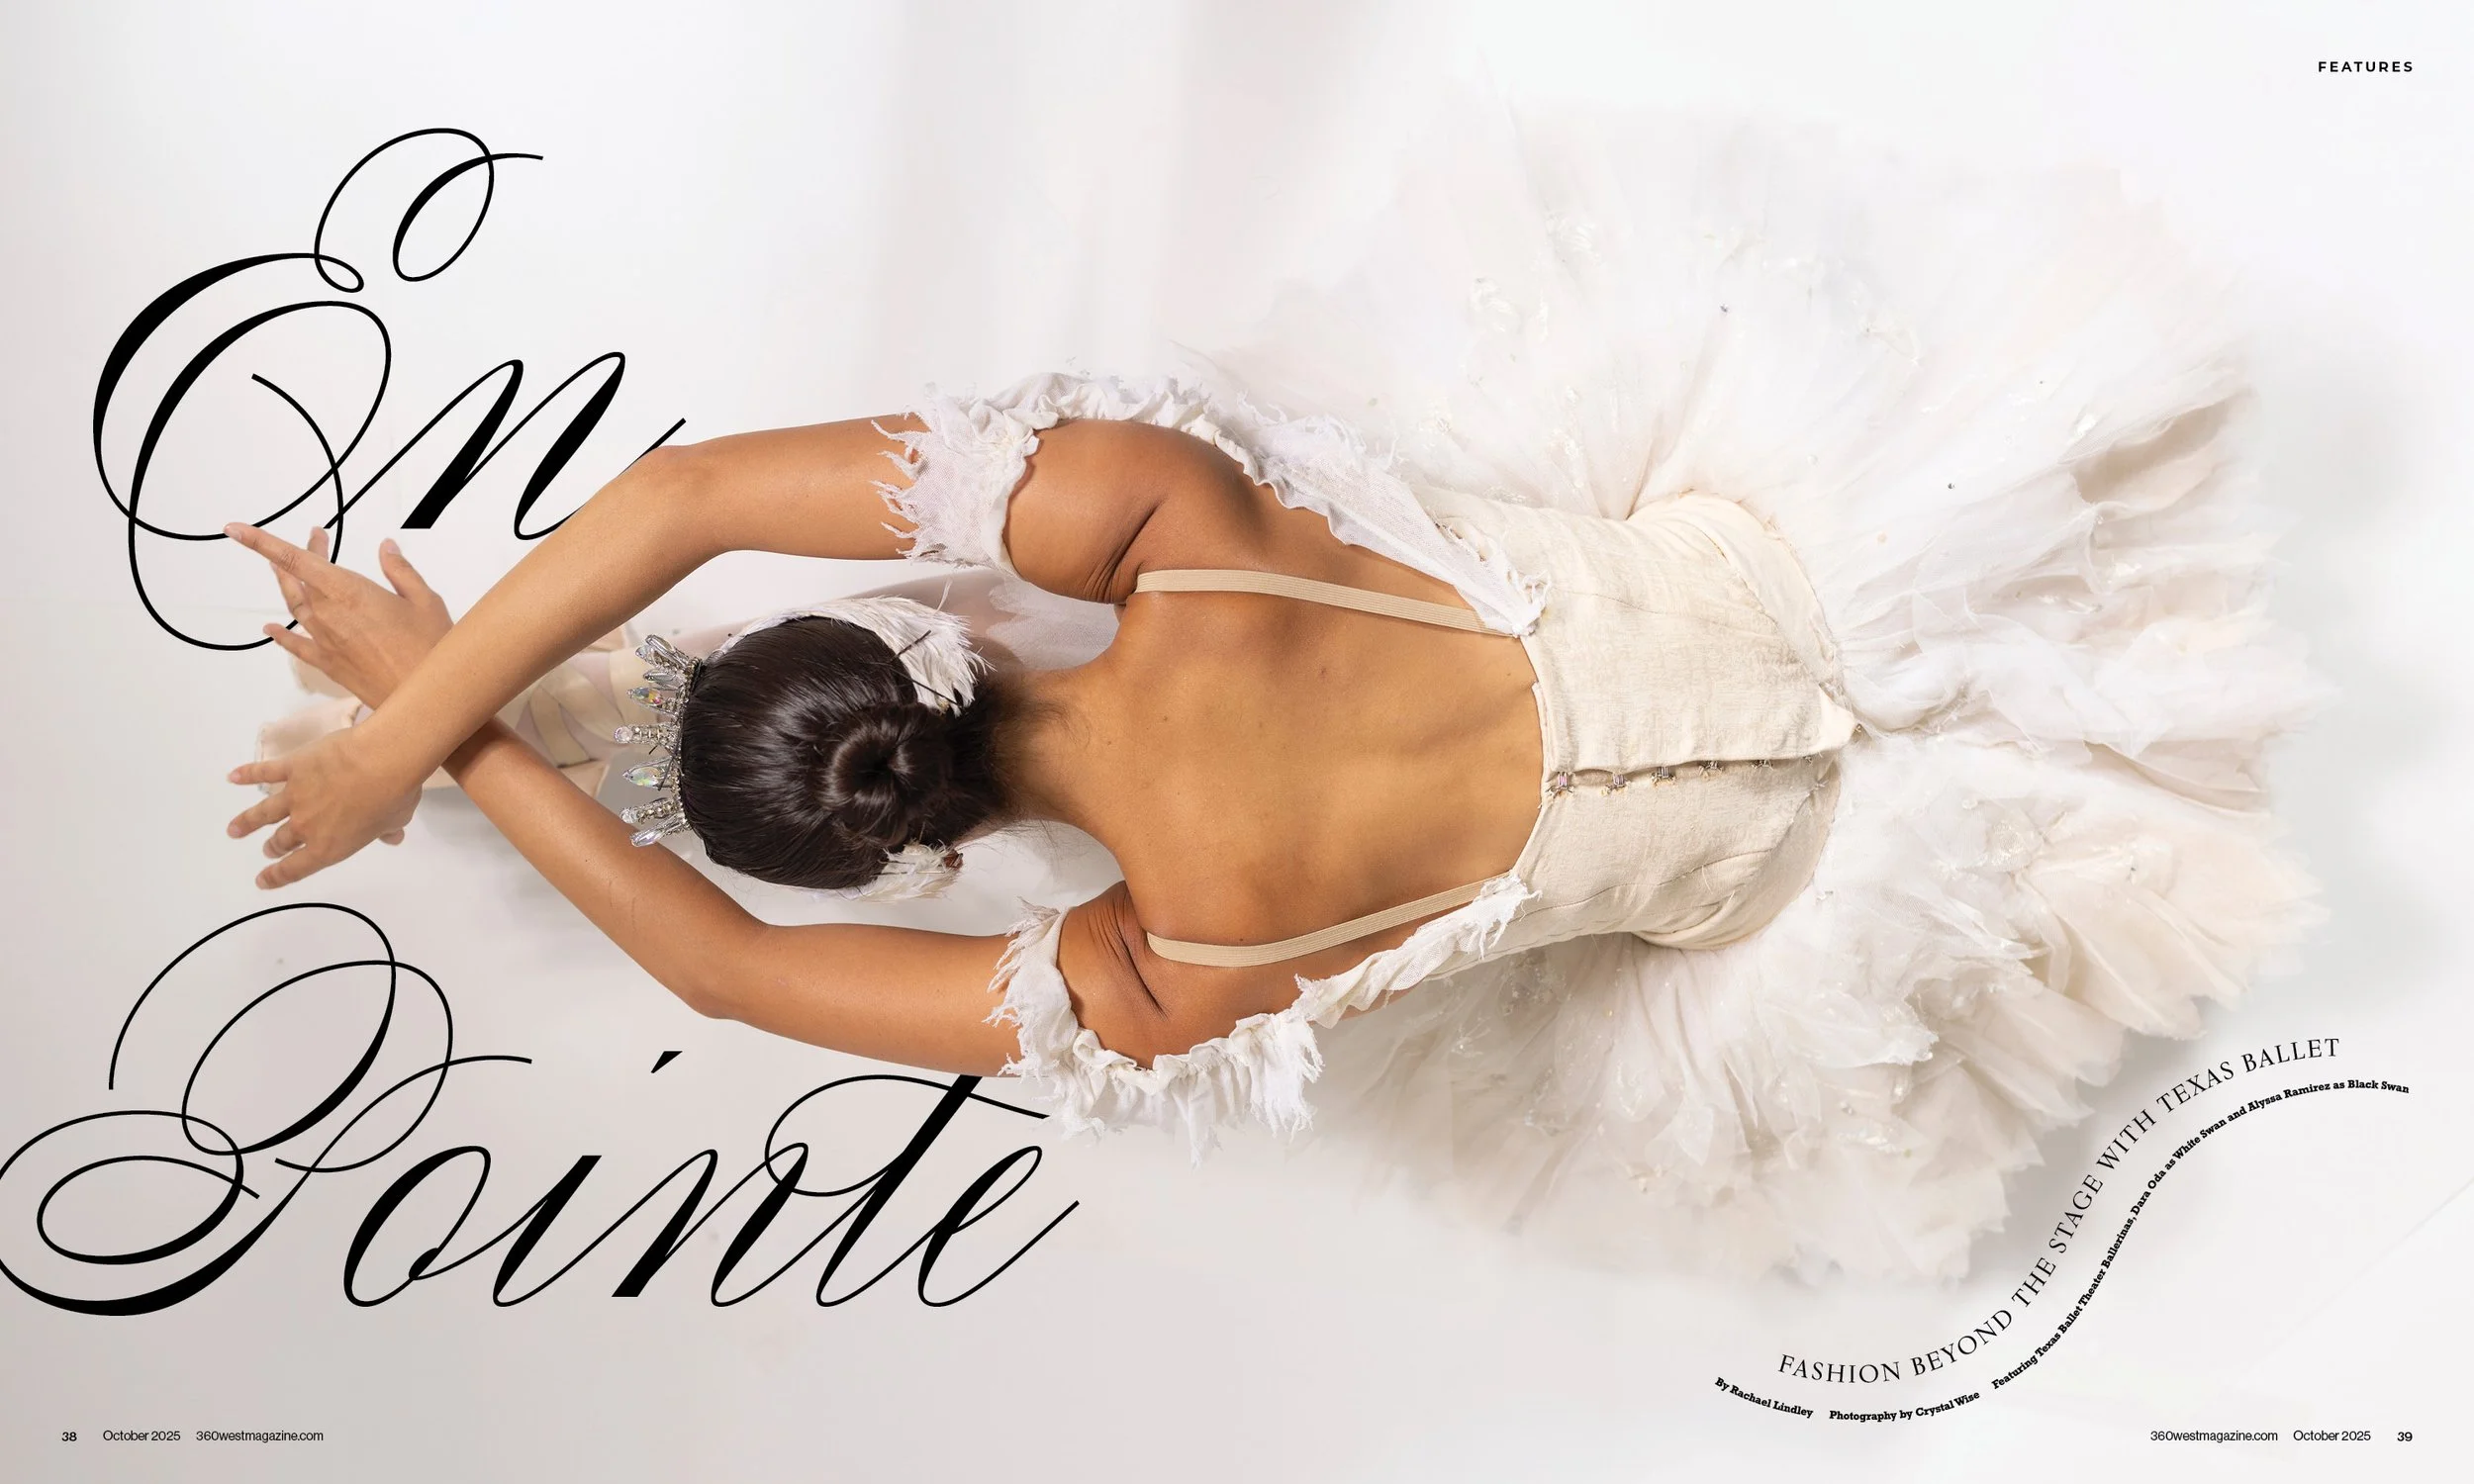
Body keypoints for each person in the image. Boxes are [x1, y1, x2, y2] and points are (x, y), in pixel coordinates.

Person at [225, 98, 2323, 1279]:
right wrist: (416, 714)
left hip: (1783, 871)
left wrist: (471, 760)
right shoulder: (1168, 532)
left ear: (896, 849)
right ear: (897, 626)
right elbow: (682, 499)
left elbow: (723, 974)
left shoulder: (1163, 974)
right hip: (1787, 581)